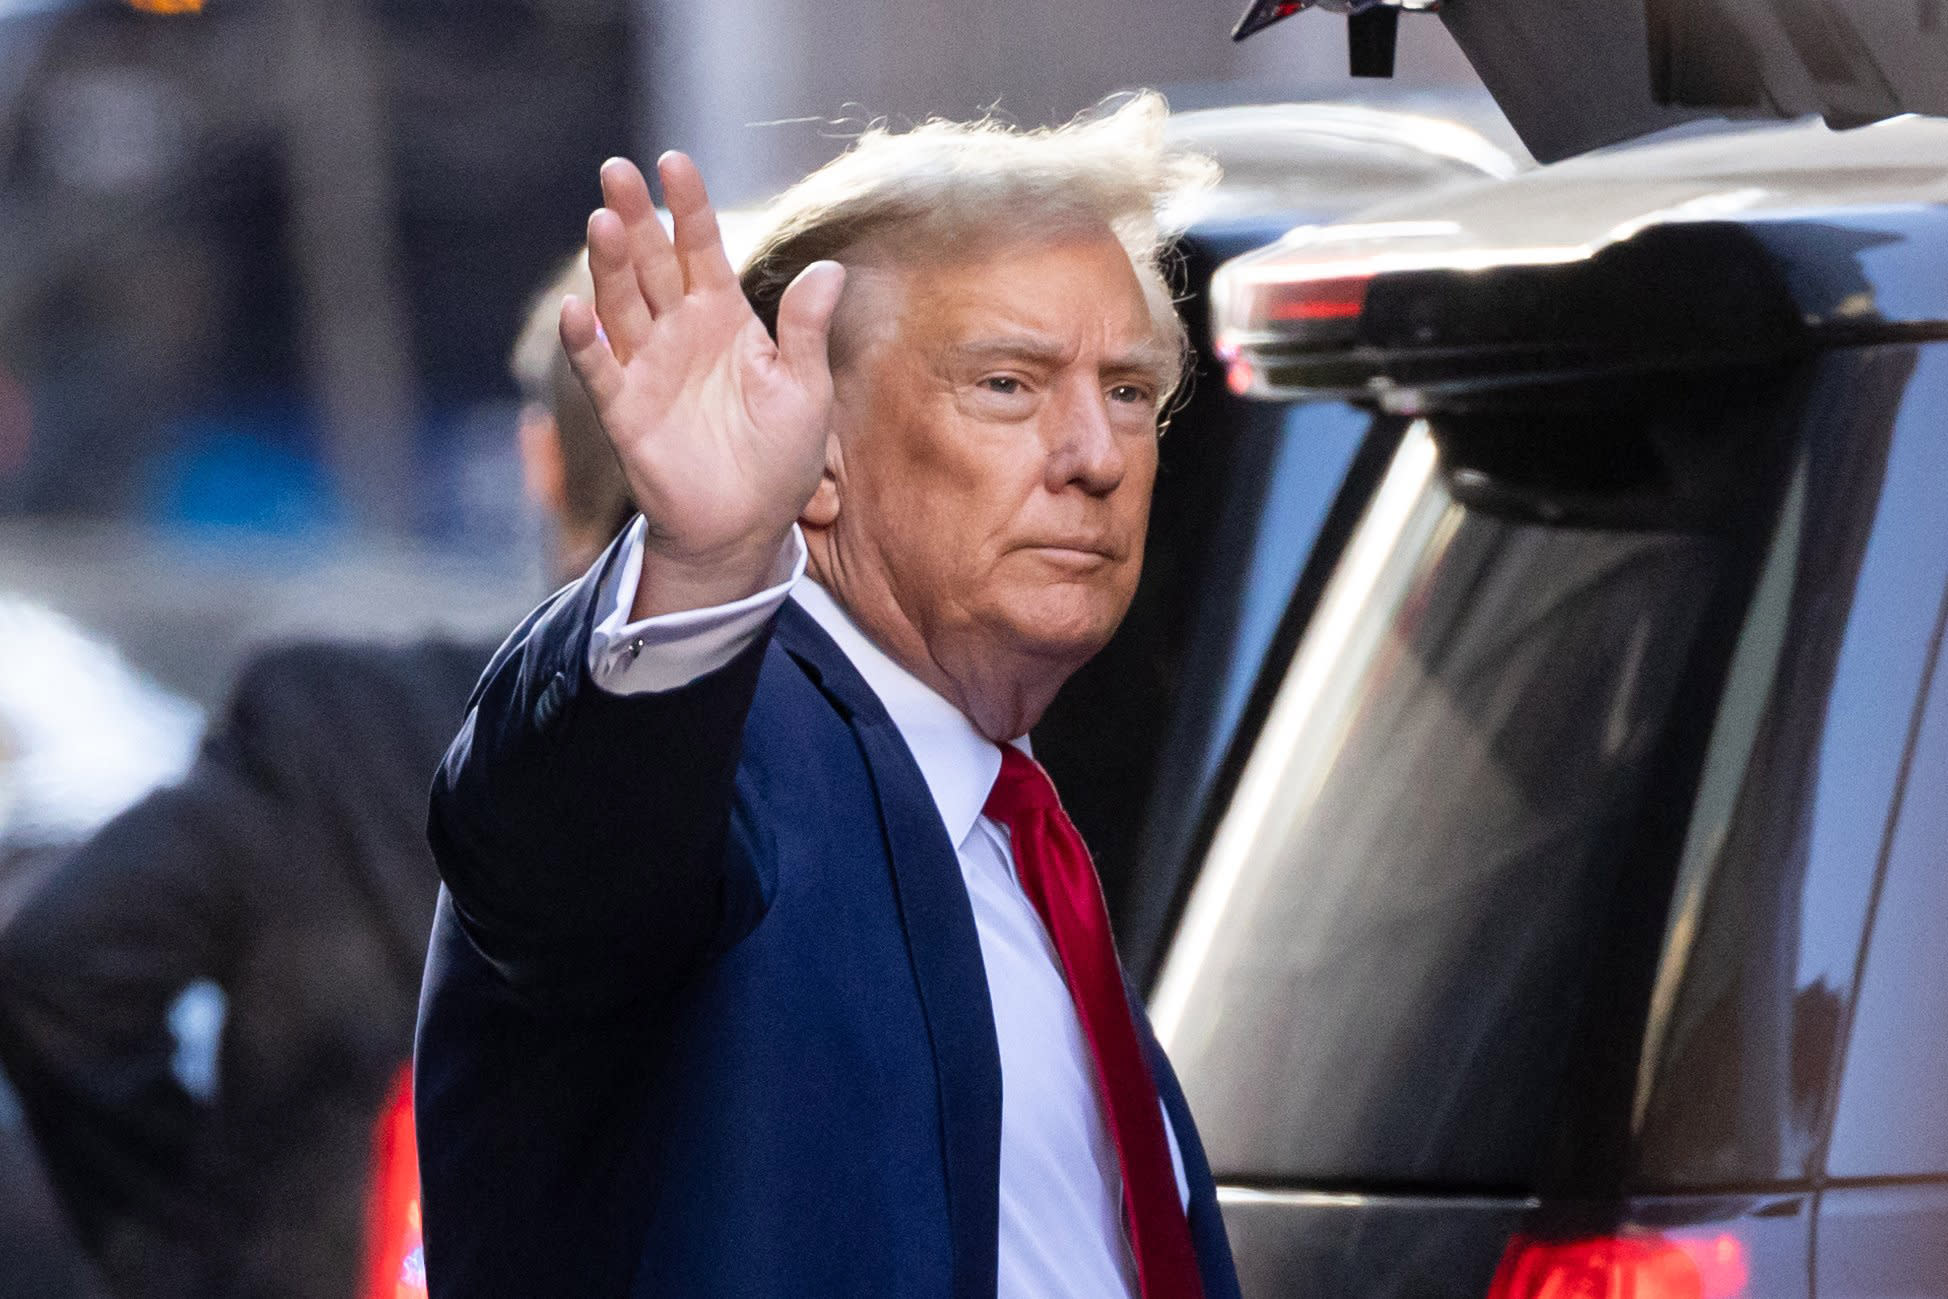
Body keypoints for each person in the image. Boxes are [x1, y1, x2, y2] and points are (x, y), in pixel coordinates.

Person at [414, 94, 1241, 1298]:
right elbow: (557, 856)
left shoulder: (1010, 832)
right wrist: (702, 562)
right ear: (814, 458)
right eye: (1007, 385)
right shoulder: (741, 748)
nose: (1096, 456)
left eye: (1126, 390)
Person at [0, 251, 634, 1299]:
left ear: (541, 462)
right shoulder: (889, 762)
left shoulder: (339, 729)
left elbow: (58, 964)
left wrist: (206, 1256)